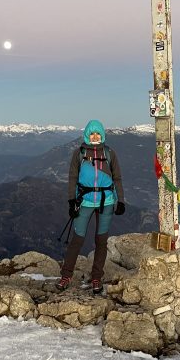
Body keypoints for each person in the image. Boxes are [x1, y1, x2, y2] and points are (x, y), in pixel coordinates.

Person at [57, 119, 125, 295]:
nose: (95, 137)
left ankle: (97, 278)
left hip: (106, 201)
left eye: (98, 134)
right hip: (84, 201)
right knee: (77, 240)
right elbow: (72, 177)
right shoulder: (79, 154)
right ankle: (66, 276)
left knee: (101, 241)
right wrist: (72, 201)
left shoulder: (110, 153)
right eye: (92, 134)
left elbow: (117, 178)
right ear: (87, 135)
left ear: (102, 135)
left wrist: (121, 200)